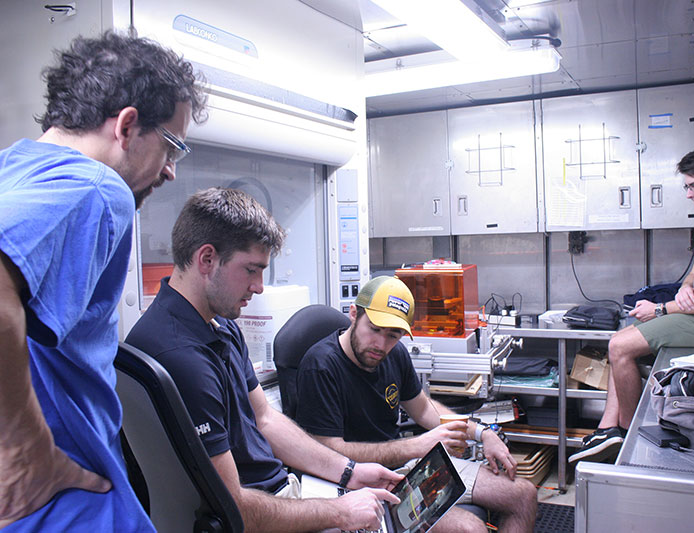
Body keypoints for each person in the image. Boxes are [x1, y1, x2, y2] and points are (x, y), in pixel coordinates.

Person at [0, 31, 206, 531]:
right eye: (172, 146)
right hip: (56, 497)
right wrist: (24, 456)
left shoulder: (13, 168)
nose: (172, 171)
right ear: (128, 125)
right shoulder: (96, 186)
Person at [125, 188, 402, 532]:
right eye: (251, 270)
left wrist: (350, 471)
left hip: (281, 493)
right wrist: (341, 512)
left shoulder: (218, 324)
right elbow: (234, 509)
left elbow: (265, 417)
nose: (258, 287)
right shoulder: (182, 357)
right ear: (207, 259)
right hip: (261, 514)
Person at [569, 146, 694, 464]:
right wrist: (685, 290)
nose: (688, 193)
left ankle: (626, 437)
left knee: (620, 346)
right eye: (686, 186)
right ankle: (607, 429)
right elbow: (693, 275)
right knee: (622, 334)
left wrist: (661, 309)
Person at [296, 276, 539, 533]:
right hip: (361, 482)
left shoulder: (394, 354)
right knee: (469, 529)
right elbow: (331, 451)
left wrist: (482, 432)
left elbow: (424, 409)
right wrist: (417, 445)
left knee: (523, 495)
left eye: (393, 335)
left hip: (407, 469)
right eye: (374, 329)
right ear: (354, 314)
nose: (381, 345)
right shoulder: (320, 366)